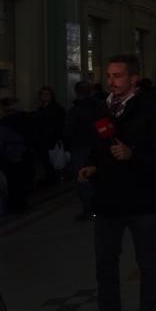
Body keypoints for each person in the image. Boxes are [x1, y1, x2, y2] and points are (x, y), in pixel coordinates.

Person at [76, 54, 156, 311]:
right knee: (105, 261)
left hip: (143, 200)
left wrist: (133, 155)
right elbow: (99, 148)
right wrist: (92, 166)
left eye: (117, 76)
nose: (111, 81)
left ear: (133, 78)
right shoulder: (101, 109)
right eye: (108, 76)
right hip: (109, 199)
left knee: (147, 262)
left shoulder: (152, 110)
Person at [63, 81, 97, 219]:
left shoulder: (75, 110)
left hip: (80, 147)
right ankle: (98, 207)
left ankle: (89, 210)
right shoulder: (99, 107)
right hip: (97, 146)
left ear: (77, 92)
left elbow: (68, 131)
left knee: (83, 178)